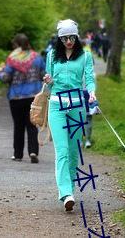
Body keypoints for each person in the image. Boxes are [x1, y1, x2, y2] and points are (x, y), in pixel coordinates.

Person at [43, 19, 96, 211]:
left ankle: (70, 187)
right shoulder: (51, 56)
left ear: (77, 36)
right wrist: (48, 80)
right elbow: (49, 85)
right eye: (64, 38)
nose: (68, 41)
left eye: (72, 37)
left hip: (76, 106)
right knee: (62, 150)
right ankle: (66, 193)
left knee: (74, 152)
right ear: (59, 38)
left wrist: (91, 92)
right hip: (56, 106)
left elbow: (89, 78)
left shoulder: (85, 56)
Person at [0, 33, 46, 163]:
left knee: (18, 126)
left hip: (16, 97)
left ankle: (18, 154)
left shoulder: (12, 59)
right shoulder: (37, 58)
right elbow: (44, 75)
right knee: (32, 125)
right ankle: (33, 151)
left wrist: (0, 71)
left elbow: (5, 78)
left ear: (16, 45)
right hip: (33, 97)